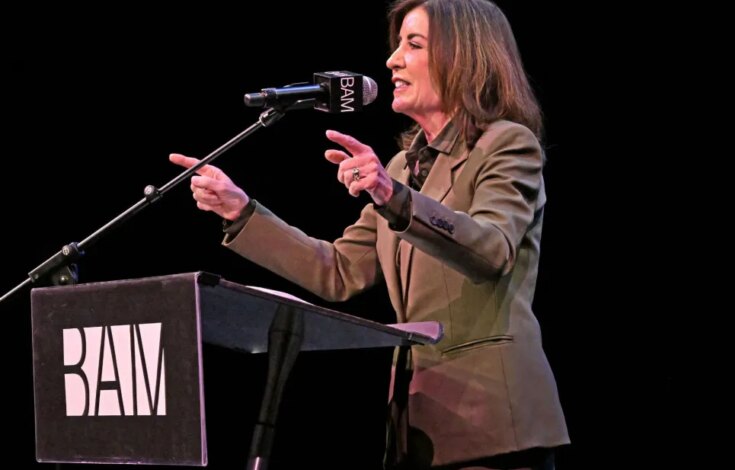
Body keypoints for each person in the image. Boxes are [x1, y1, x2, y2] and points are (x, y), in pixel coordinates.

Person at [170, 0, 569, 468]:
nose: (392, 60)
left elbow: (492, 249)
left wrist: (392, 196)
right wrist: (242, 212)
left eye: (413, 44)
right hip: (416, 427)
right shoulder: (403, 168)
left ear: (462, 57)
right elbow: (338, 272)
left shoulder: (506, 144)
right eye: (397, 44)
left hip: (497, 423)